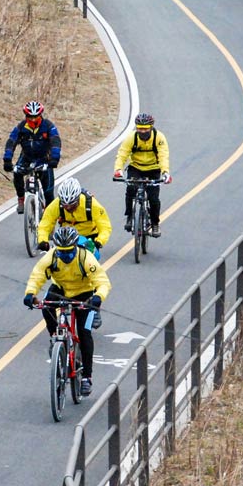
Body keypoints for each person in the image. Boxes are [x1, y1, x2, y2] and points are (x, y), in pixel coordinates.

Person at [23, 225, 111, 397]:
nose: (65, 256)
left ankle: (87, 377)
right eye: (61, 252)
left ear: (75, 247)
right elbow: (38, 275)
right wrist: (30, 293)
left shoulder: (86, 258)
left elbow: (102, 281)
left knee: (85, 333)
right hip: (61, 289)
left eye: (69, 252)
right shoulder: (52, 256)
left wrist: (98, 297)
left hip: (84, 293)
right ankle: (55, 337)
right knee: (46, 307)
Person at [113, 112, 171, 237]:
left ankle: (155, 224)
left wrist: (165, 172)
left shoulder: (159, 138)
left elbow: (163, 156)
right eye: (139, 128)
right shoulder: (131, 137)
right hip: (136, 168)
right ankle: (129, 216)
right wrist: (118, 169)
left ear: (151, 127)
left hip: (153, 169)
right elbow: (122, 154)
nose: (142, 131)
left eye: (145, 128)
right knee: (130, 190)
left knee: (154, 198)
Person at [3, 101, 61, 214]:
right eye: (30, 117)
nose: (33, 120)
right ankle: (21, 198)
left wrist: (55, 158)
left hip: (44, 159)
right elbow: (11, 141)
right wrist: (7, 159)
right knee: (17, 173)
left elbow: (56, 141)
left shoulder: (48, 126)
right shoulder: (21, 127)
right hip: (26, 157)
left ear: (40, 115)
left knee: (49, 193)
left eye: (36, 117)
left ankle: (50, 219)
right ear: (26, 116)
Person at [36, 177, 112, 256]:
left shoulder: (91, 204)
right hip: (66, 237)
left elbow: (105, 226)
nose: (68, 208)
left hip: (89, 237)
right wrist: (42, 240)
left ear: (78, 199)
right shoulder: (57, 204)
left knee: (91, 263)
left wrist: (99, 241)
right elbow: (45, 223)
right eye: (65, 205)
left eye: (72, 205)